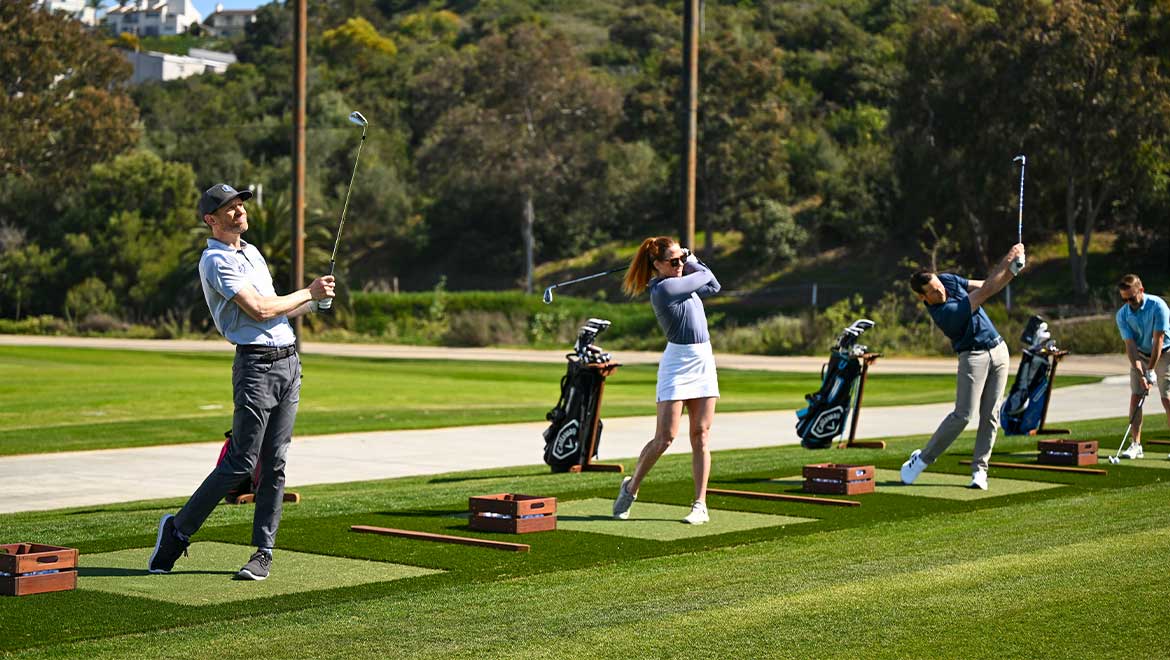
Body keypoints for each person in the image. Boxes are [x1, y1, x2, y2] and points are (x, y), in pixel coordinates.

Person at [148, 183, 335, 580]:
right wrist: (307, 290)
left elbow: (280, 313)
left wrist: (313, 303)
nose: (238, 212)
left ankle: (262, 552)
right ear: (210, 220)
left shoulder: (251, 252)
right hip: (255, 368)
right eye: (228, 209)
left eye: (239, 205)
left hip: (289, 364)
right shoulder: (216, 261)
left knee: (276, 463)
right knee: (241, 463)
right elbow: (262, 309)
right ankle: (178, 531)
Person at [612, 237, 721, 524]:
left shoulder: (681, 277)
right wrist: (691, 255)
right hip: (677, 364)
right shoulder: (664, 288)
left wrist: (685, 257)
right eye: (674, 261)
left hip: (703, 361)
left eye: (682, 260)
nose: (681, 264)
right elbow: (707, 276)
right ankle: (632, 487)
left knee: (701, 435)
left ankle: (700, 504)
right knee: (665, 438)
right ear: (657, 265)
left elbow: (715, 286)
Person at [900, 244, 1026, 490]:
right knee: (963, 415)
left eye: (940, 284)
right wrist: (1009, 257)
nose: (942, 290)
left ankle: (980, 471)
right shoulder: (944, 313)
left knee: (991, 415)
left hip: (999, 350)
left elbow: (985, 285)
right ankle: (922, 460)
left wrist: (1013, 270)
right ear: (923, 297)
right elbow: (988, 290)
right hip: (973, 357)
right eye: (935, 291)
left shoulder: (945, 280)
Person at [1114, 274, 1170, 459]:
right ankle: (1135, 445)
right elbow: (1130, 346)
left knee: (1167, 398)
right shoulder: (1123, 314)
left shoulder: (1158, 306)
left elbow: (1158, 341)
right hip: (1140, 355)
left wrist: (1151, 371)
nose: (1129, 302)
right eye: (1125, 299)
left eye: (1132, 298)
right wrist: (1141, 374)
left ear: (1141, 290)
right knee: (1136, 397)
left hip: (1165, 353)